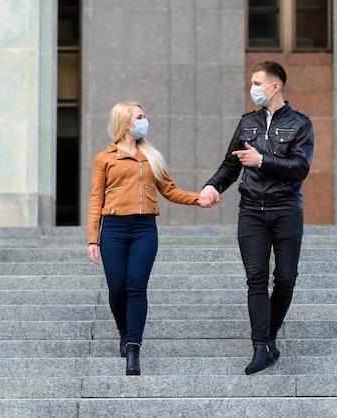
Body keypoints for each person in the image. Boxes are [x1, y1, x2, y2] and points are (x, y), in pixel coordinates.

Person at [199, 61, 314, 375]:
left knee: (286, 278)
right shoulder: (247, 122)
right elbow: (230, 165)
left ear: (274, 87)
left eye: (257, 83)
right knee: (256, 279)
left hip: (286, 210)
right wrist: (212, 185)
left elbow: (300, 168)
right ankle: (260, 346)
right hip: (251, 211)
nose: (253, 88)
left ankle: (270, 336)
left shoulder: (300, 124)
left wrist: (262, 160)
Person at [88, 101, 206, 376]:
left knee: (136, 287)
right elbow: (96, 199)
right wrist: (93, 238)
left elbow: (170, 190)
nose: (144, 121)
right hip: (114, 228)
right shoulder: (104, 158)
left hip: (144, 228)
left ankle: (133, 348)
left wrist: (198, 199)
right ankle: (123, 331)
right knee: (117, 288)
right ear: (125, 122)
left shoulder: (151, 156)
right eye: (140, 117)